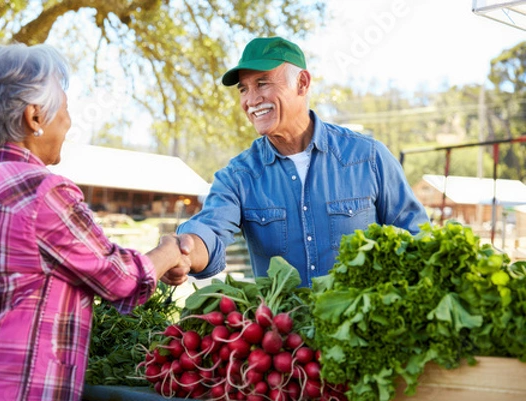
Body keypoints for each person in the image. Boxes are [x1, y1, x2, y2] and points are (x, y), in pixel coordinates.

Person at [0, 43, 190, 401]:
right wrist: (169, 251)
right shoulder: (42, 191)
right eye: (65, 110)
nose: (69, 122)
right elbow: (122, 279)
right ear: (34, 117)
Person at [177, 36, 429, 288]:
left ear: (302, 83)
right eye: (243, 89)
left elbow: (417, 239)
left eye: (262, 83)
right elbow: (210, 230)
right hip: (282, 327)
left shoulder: (369, 157)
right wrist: (184, 252)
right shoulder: (238, 176)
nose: (251, 100)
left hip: (361, 325)